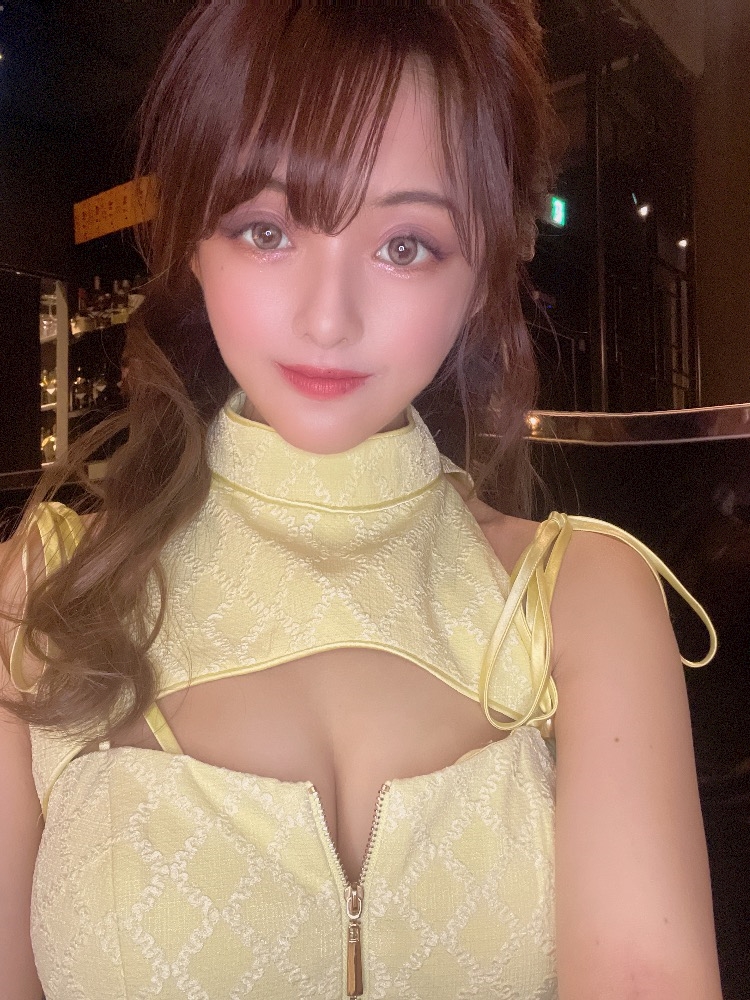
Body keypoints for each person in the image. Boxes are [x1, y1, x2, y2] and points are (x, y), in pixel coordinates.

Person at [0, 3, 723, 998]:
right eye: (266, 229)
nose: (328, 318)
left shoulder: (582, 597)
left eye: (405, 245)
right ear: (193, 243)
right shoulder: (44, 595)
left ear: (481, 271)